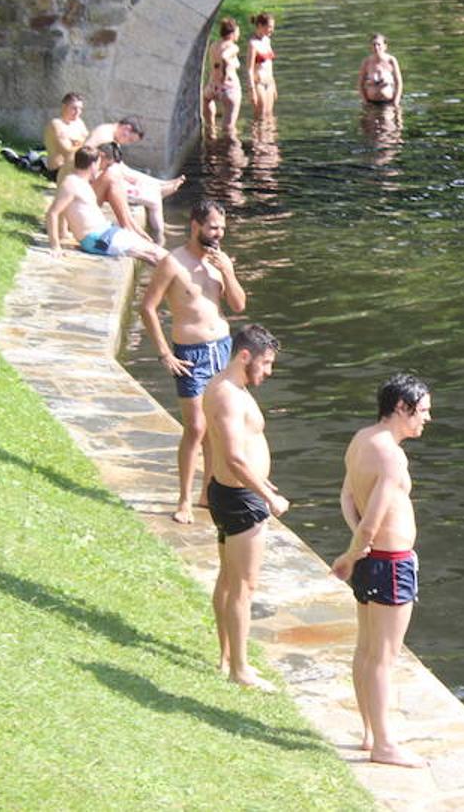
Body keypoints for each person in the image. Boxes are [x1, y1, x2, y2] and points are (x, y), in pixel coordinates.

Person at [331, 373, 432, 768]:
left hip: (374, 562)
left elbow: (346, 496)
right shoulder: (391, 455)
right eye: (422, 411)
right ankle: (384, 745)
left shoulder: (361, 439)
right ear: (402, 408)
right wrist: (352, 553)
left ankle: (371, 732)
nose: (426, 419)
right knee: (384, 657)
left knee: (366, 650)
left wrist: (359, 547)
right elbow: (372, 519)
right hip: (389, 564)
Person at [140, 199, 246, 524]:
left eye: (222, 229)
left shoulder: (219, 263)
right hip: (190, 355)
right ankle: (184, 499)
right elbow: (147, 307)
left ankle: (207, 494)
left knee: (217, 427)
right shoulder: (173, 263)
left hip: (221, 349)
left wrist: (228, 270)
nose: (218, 235)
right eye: (213, 228)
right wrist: (164, 353)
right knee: (196, 427)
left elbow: (238, 305)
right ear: (195, 225)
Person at [203, 324, 288, 690]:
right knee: (243, 586)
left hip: (236, 493)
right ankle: (240, 668)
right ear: (244, 356)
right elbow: (235, 458)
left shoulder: (232, 389)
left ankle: (226, 658)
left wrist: (262, 482)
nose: (268, 371)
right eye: (265, 363)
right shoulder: (226, 395)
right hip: (241, 500)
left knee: (228, 579)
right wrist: (268, 497)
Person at [45, 146, 166, 265]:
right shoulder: (71, 184)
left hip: (106, 233)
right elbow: (52, 213)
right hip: (98, 239)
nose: (99, 168)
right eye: (98, 164)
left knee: (156, 252)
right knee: (158, 254)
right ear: (93, 165)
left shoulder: (81, 182)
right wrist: (55, 246)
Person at [203, 18, 243, 138]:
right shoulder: (233, 47)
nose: (238, 35)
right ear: (233, 33)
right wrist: (224, 73)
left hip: (212, 86)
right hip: (228, 87)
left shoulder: (214, 45)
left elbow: (215, 63)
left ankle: (212, 133)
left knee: (206, 100)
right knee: (229, 128)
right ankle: (231, 153)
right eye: (237, 32)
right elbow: (224, 56)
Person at [43, 92, 88, 181]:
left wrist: (76, 144)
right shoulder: (56, 124)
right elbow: (67, 151)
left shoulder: (79, 123)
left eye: (80, 109)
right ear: (64, 107)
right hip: (59, 170)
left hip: (77, 168)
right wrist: (82, 144)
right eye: (74, 108)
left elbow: (89, 145)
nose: (77, 112)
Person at [246, 12, 277, 119]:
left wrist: (274, 85)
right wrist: (251, 90)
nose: (272, 30)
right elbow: (249, 69)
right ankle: (257, 136)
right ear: (260, 26)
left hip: (269, 83)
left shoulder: (267, 41)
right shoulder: (252, 44)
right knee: (260, 116)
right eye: (269, 27)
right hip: (259, 84)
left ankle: (270, 136)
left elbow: (270, 65)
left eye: (273, 27)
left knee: (270, 115)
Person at [356, 33, 403, 105]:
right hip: (371, 103)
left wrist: (396, 102)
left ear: (385, 46)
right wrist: (365, 102)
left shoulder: (391, 60)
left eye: (379, 44)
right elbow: (360, 83)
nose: (376, 47)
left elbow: (399, 83)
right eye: (374, 45)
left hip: (389, 103)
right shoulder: (367, 62)